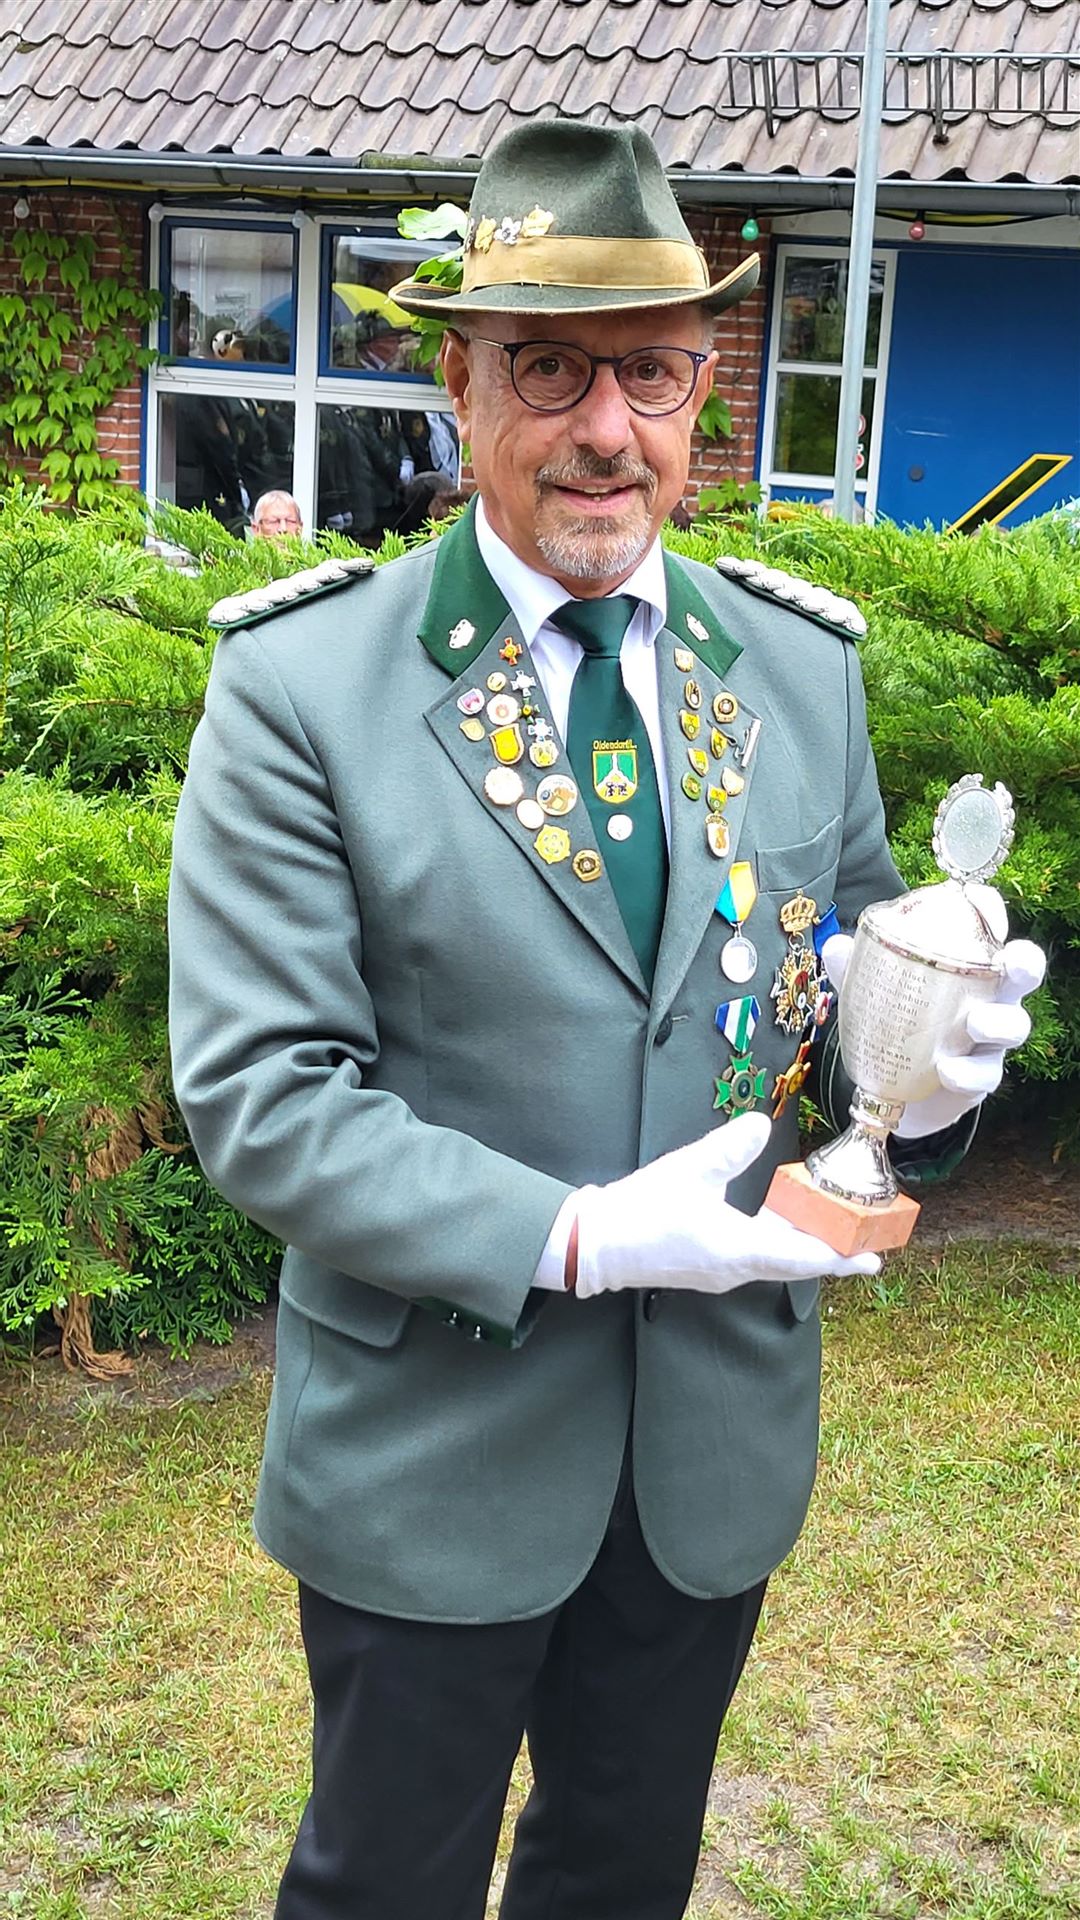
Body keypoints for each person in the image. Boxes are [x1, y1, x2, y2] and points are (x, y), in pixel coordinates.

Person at [167, 122, 1044, 1920]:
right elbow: (264, 1092)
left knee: (622, 1881)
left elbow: (831, 1010)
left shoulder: (797, 668)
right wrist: (572, 1238)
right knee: (383, 1888)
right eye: (549, 370)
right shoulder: (305, 688)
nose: (606, 429)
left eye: (651, 372)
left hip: (708, 1451)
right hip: (431, 1447)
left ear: (704, 387)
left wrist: (931, 1063)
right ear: (462, 384)